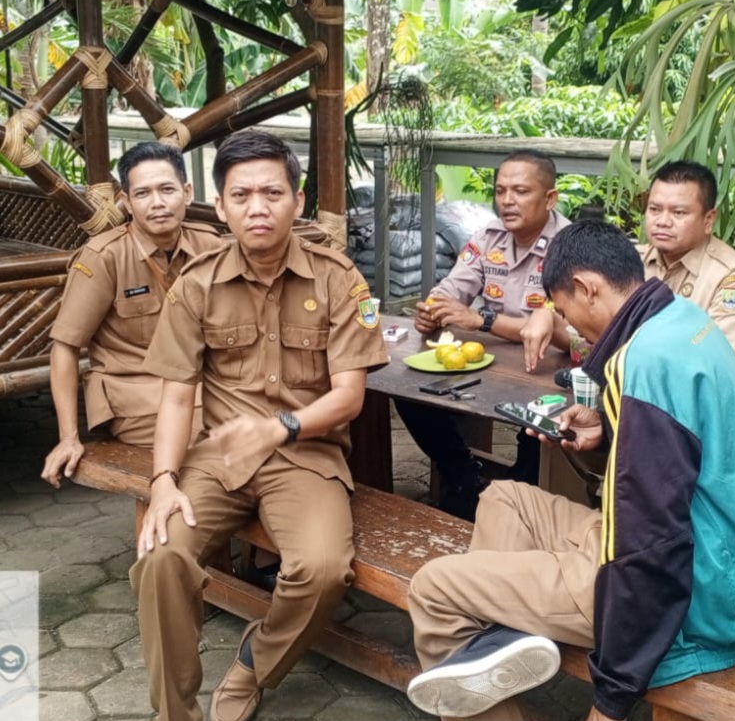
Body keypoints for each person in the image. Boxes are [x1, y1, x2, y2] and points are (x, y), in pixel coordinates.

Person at [404, 220, 735, 721]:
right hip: (708, 558)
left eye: (562, 309)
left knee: (434, 587)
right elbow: (670, 461)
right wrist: (609, 428)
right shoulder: (681, 319)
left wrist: (612, 696)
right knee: (504, 496)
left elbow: (652, 538)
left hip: (693, 599)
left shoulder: (641, 362)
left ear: (586, 287)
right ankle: (499, 640)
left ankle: (488, 635)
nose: (569, 324)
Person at [130, 130, 388, 721]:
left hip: (306, 455)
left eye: (272, 193)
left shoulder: (338, 278)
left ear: (298, 201)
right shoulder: (197, 283)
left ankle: (256, 662)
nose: (258, 208)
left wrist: (280, 427)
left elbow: (349, 397)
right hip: (218, 458)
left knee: (323, 571)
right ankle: (175, 714)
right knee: (161, 560)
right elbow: (177, 398)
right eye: (241, 195)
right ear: (220, 207)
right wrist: (163, 480)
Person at [40, 141, 222, 488]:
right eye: (143, 193)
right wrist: (68, 437)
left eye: (167, 189)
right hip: (136, 396)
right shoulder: (104, 257)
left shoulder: (209, 246)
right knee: (218, 444)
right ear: (126, 201)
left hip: (199, 387)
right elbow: (64, 346)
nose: (157, 202)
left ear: (186, 193)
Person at [403, 149, 570, 516]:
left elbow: (562, 330)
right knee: (407, 389)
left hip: (547, 370)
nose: (507, 200)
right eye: (500, 190)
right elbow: (452, 289)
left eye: (520, 191)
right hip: (489, 362)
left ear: (550, 198)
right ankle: (464, 478)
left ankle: (519, 499)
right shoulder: (488, 236)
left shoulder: (569, 246)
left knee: (537, 427)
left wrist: (482, 320)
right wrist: (433, 310)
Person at [639, 160, 735, 359]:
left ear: (708, 220)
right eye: (654, 209)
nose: (662, 221)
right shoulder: (631, 260)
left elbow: (712, 352)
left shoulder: (732, 273)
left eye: (678, 212)